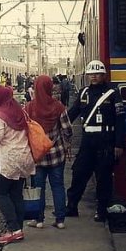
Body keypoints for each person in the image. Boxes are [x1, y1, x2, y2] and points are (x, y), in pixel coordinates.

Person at [65, 59, 125, 222]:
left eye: (97, 74)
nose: (94, 77)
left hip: (106, 140)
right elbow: (72, 113)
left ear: (104, 75)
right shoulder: (84, 93)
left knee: (103, 177)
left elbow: (120, 120)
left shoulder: (113, 93)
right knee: (79, 172)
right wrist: (57, 126)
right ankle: (71, 207)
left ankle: (101, 210)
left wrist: (119, 144)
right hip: (88, 141)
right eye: (91, 74)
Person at [0, 85, 35, 245]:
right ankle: (18, 229)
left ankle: (14, 229)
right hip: (23, 158)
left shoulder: (0, 115)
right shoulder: (19, 110)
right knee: (16, 194)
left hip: (8, 160)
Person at [24, 74, 73, 229]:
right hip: (57, 154)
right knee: (58, 186)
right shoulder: (58, 106)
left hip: (38, 156)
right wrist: (67, 144)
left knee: (39, 187)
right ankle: (60, 220)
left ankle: (38, 220)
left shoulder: (29, 107)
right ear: (50, 87)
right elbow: (67, 129)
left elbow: (25, 131)